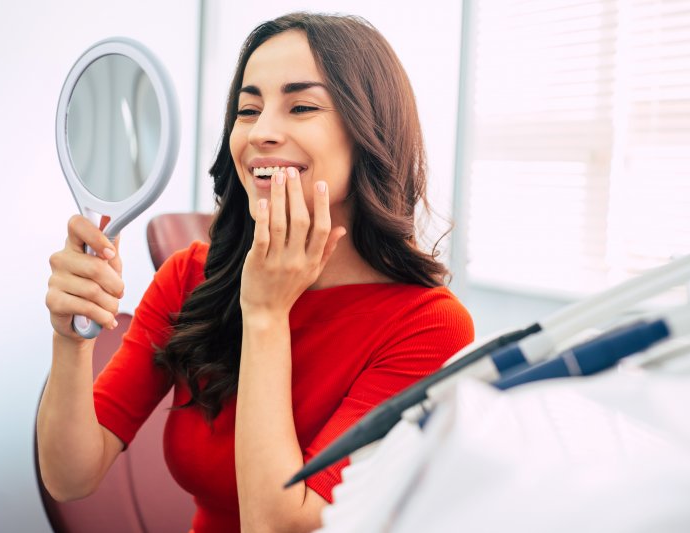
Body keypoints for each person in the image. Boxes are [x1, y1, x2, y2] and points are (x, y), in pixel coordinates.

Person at [39, 12, 474, 533]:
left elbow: (277, 526)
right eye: (248, 110)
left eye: (302, 106)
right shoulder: (189, 278)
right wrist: (70, 342)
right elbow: (69, 477)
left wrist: (267, 313)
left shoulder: (429, 328)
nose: (262, 132)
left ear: (369, 133)